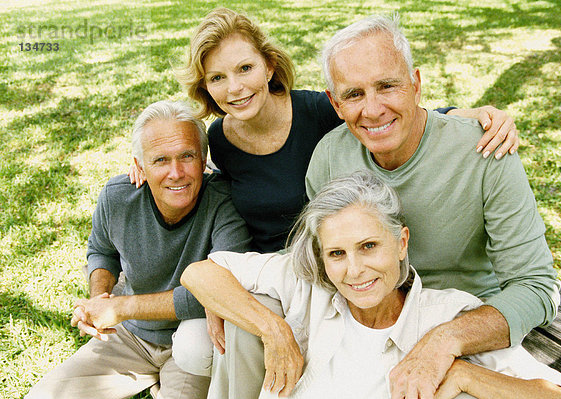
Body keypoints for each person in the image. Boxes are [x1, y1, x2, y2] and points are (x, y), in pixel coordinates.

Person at [304, 14, 561, 399]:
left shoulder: (485, 152)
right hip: (369, 323)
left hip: (467, 324)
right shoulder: (329, 156)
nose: (372, 110)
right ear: (334, 103)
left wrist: (445, 339)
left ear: (416, 84)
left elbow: (536, 286)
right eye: (354, 94)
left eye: (387, 86)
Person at [131, 7, 519, 254]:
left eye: (245, 68)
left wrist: (466, 114)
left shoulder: (319, 110)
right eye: (217, 77)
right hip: (265, 268)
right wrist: (144, 168)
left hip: (334, 260)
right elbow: (195, 175)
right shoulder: (218, 140)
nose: (234, 87)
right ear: (206, 87)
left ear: (268, 66)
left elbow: (383, 116)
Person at [181, 171, 561, 399]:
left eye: (369, 246)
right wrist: (274, 329)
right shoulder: (308, 285)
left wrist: (464, 375)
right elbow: (199, 273)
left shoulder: (446, 315)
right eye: (336, 253)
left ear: (401, 243)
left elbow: (558, 396)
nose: (354, 270)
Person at [25, 100, 251, 399]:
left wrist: (120, 307)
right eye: (160, 160)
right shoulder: (118, 197)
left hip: (192, 340)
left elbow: (221, 289)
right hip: (128, 336)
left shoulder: (224, 201)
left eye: (187, 156)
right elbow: (101, 251)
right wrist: (99, 300)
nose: (176, 173)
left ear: (203, 158)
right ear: (139, 165)